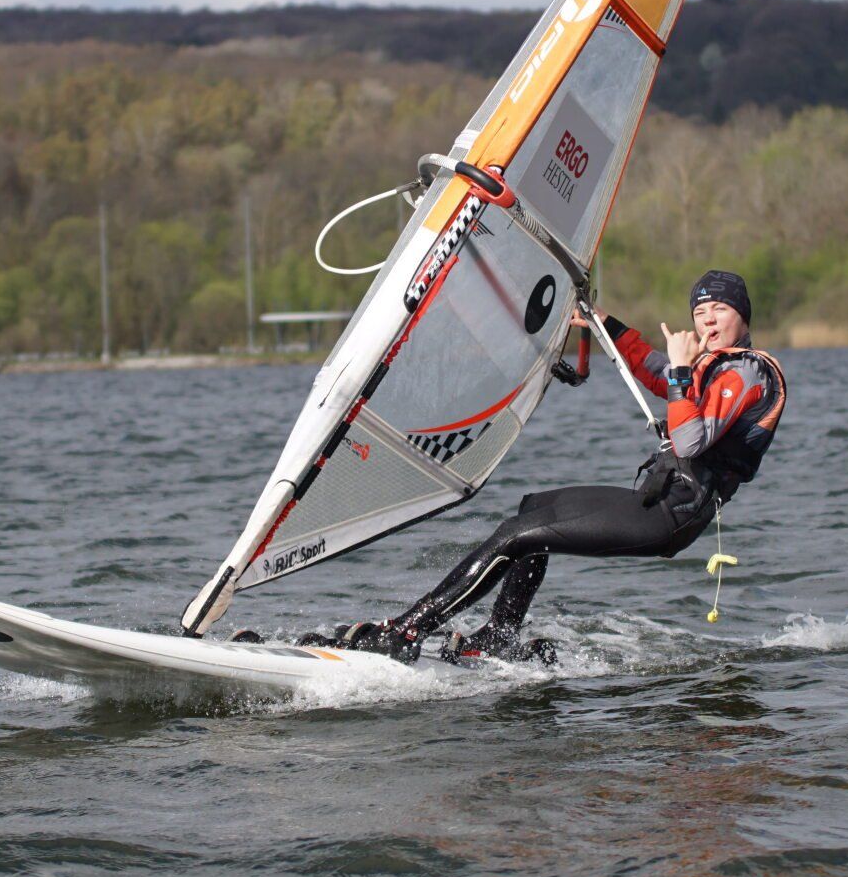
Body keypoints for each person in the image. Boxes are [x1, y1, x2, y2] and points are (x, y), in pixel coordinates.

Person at [312, 269, 786, 664]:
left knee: (516, 535)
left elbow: (688, 439)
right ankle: (498, 635)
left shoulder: (749, 371)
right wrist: (603, 323)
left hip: (674, 515)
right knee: (532, 508)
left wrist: (682, 371)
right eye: (700, 312)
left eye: (719, 309)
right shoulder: (711, 365)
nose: (708, 319)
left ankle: (406, 632)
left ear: (742, 315)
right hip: (657, 498)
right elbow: (652, 368)